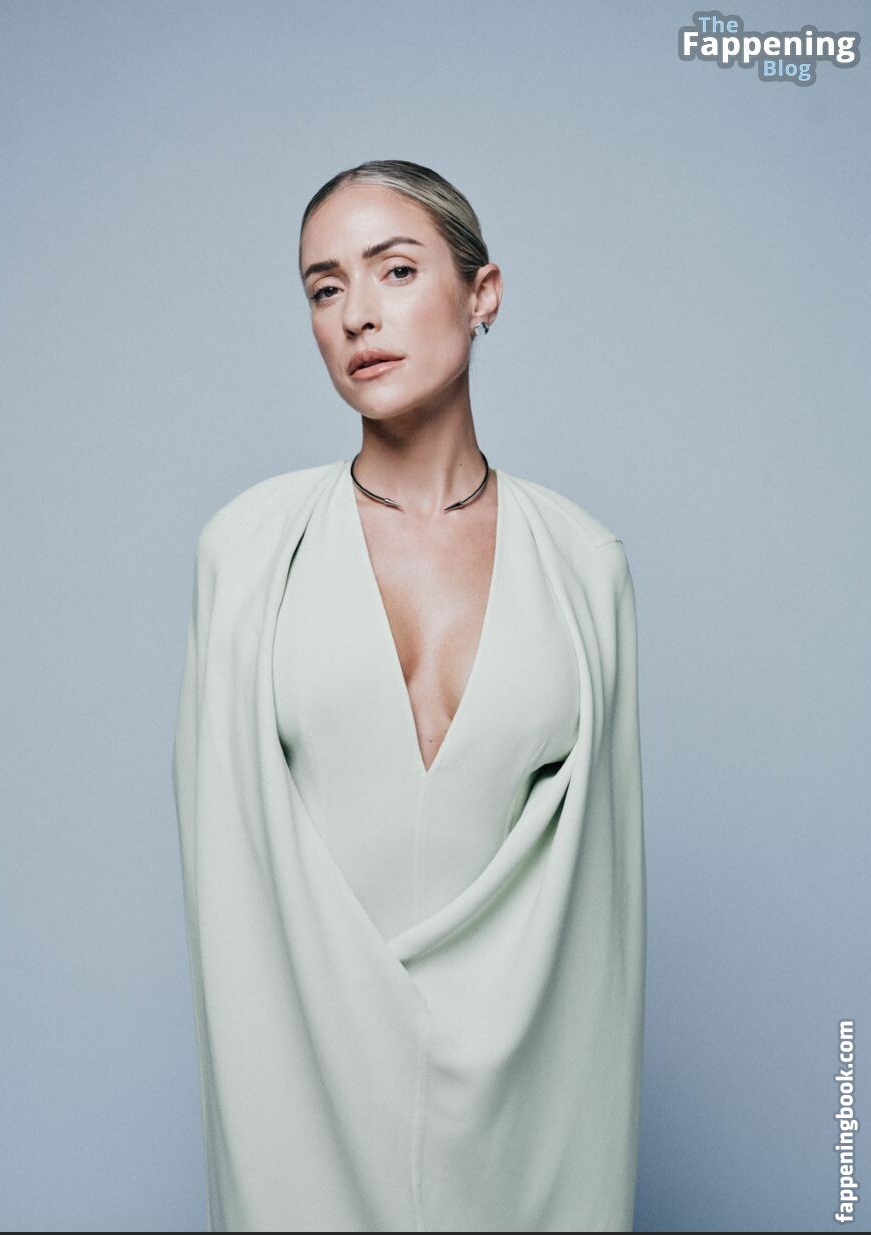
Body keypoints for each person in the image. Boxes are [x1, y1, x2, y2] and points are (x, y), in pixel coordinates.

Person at [172, 159, 646, 1233]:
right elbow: (223, 870)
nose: (357, 315)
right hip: (298, 1090)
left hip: (524, 1109)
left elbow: (604, 917)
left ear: (483, 294)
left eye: (394, 270)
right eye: (324, 287)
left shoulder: (585, 564)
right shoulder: (247, 552)